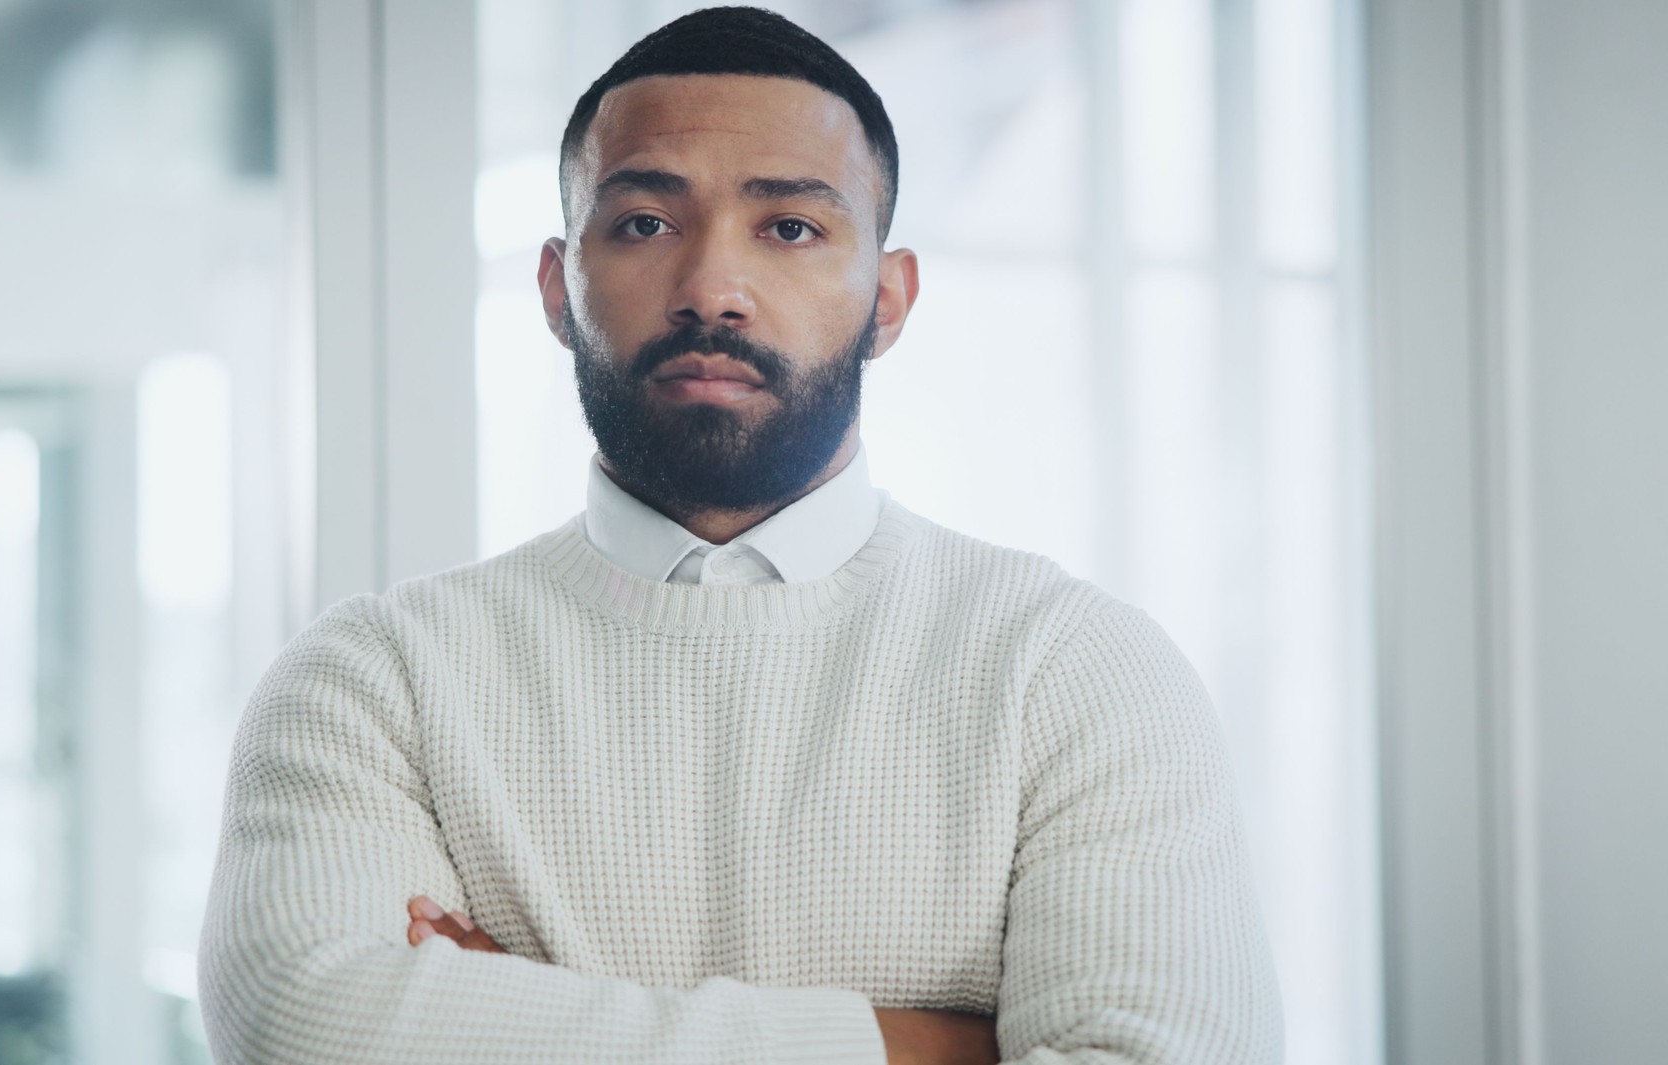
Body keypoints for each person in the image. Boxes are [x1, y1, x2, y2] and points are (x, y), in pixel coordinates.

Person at [198, 7, 1281, 1064]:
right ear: (556, 288)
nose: (713, 287)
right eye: (644, 224)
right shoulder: (377, 680)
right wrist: (933, 1049)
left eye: (792, 228)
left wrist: (528, 1019)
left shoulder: (1075, 670)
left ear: (889, 300)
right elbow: (309, 1025)